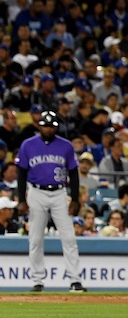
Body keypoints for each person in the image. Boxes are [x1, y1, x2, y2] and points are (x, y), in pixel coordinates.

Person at [15, 110, 87, 292]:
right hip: (36, 192)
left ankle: (75, 279)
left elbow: (73, 173)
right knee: (36, 238)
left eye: (51, 126)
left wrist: (75, 198)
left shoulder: (66, 146)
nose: (48, 129)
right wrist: (21, 198)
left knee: (69, 237)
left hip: (59, 193)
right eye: (45, 125)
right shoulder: (27, 145)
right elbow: (21, 173)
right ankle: (37, 280)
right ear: (39, 126)